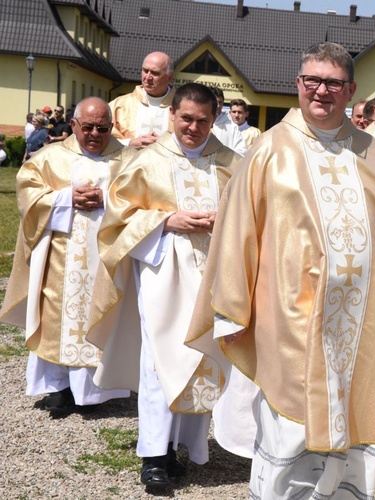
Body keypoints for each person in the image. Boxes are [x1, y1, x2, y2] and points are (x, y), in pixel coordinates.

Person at [186, 41, 375, 499]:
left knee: (355, 428)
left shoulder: (373, 154)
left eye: (333, 83)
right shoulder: (267, 151)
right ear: (298, 85)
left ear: (351, 92)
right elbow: (237, 234)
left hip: (362, 323)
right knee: (291, 428)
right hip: (292, 322)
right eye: (313, 81)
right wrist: (232, 311)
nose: (322, 91)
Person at [87, 83, 242, 488]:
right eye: (186, 118)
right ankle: (154, 454)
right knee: (159, 360)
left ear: (215, 119)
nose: (193, 127)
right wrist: (166, 221)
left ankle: (184, 446)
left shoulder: (230, 163)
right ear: (172, 115)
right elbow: (116, 220)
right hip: (161, 270)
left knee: (201, 356)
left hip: (213, 275)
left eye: (203, 120)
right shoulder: (145, 161)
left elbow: (251, 216)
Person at [0, 97, 133, 415]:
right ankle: (58, 388)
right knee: (57, 316)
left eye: (102, 128)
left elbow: (142, 200)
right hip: (61, 257)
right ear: (73, 125)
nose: (94, 134)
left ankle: (98, 391)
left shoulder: (128, 160)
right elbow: (27, 193)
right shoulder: (50, 158)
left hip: (106, 261)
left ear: (111, 128)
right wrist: (63, 198)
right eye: (87, 127)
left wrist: (107, 198)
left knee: (103, 313)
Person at [109, 51, 175, 150]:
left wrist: (166, 144)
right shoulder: (119, 105)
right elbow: (102, 137)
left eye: (155, 73)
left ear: (169, 78)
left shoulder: (183, 107)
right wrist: (130, 143)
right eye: (145, 70)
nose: (148, 77)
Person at [210, 87, 247, 156]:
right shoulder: (199, 122)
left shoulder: (232, 126)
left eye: (220, 102)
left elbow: (242, 151)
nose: (218, 106)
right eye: (215, 102)